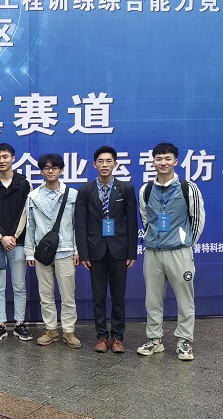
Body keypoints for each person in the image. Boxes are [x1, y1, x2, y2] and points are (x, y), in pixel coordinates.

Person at [137, 142, 205, 361]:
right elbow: (146, 220)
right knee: (152, 300)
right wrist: (155, 239)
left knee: (185, 299)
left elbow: (197, 220)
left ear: (176, 161)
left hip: (179, 253)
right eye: (159, 158)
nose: (163, 162)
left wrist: (185, 243)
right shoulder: (146, 190)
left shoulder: (188, 188)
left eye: (167, 158)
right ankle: (154, 340)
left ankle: (184, 341)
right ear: (153, 162)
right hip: (153, 253)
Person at [74, 145, 138, 354]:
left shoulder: (126, 188)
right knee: (99, 297)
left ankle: (118, 337)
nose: (104, 165)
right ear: (94, 165)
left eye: (108, 161)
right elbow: (80, 224)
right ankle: (101, 336)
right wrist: (84, 253)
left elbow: (132, 222)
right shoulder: (85, 191)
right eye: (100, 161)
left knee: (118, 297)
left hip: (119, 251)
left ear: (115, 164)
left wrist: (132, 252)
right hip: (96, 251)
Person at [25, 153, 81, 349]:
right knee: (46, 294)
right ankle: (50, 330)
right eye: (46, 168)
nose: (50, 171)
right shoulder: (33, 196)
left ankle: (69, 331)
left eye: (54, 167)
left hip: (66, 250)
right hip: (42, 253)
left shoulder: (72, 195)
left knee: (68, 295)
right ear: (41, 171)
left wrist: (77, 250)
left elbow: (77, 224)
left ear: (61, 170)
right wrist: (29, 252)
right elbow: (30, 225)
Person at [0, 143, 32, 342]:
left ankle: (20, 324)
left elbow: (26, 212)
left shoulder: (24, 183)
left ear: (13, 158)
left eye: (5, 157)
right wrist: (2, 237)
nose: (1, 161)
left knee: (19, 285)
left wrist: (13, 236)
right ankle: (0, 325)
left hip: (17, 243)